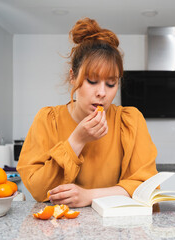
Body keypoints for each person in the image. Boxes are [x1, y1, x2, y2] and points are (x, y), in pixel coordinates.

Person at [17, 17, 158, 207]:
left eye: (111, 83)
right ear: (73, 77)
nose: (102, 93)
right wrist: (77, 140)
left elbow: (147, 188)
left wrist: (89, 196)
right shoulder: (48, 120)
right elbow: (39, 190)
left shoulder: (130, 120)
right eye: (92, 81)